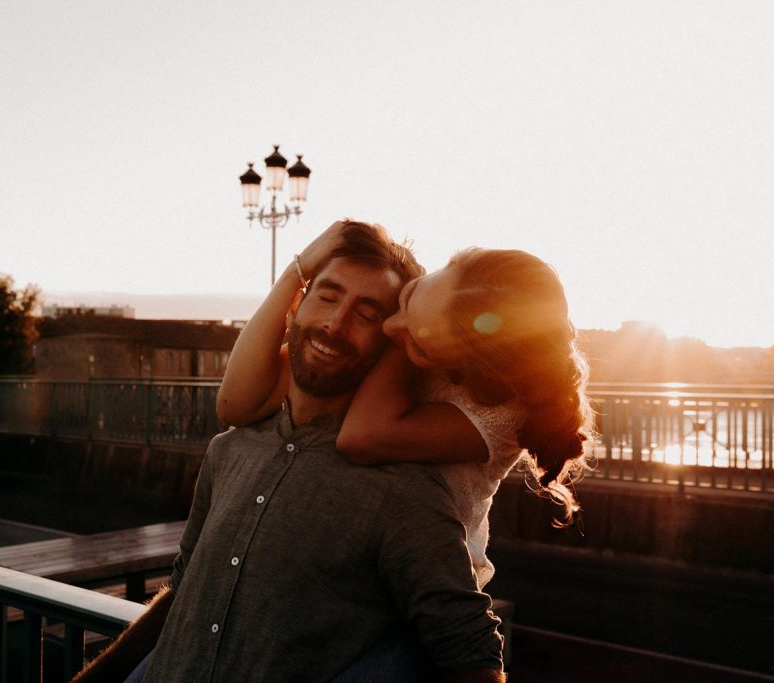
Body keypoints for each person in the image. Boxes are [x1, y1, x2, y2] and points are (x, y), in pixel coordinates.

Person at [73, 221, 506, 682]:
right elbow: (185, 594)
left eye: (365, 313)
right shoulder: (228, 452)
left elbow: (471, 654)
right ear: (296, 306)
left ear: (390, 342)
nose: (335, 323)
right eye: (328, 295)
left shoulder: (403, 492)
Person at [217, 220, 595, 590]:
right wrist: (295, 272)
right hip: (350, 555)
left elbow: (360, 438)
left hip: (422, 586)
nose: (388, 328)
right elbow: (236, 404)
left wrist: (411, 325)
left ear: (463, 365)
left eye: (414, 341)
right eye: (407, 296)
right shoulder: (418, 334)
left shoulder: (498, 416)